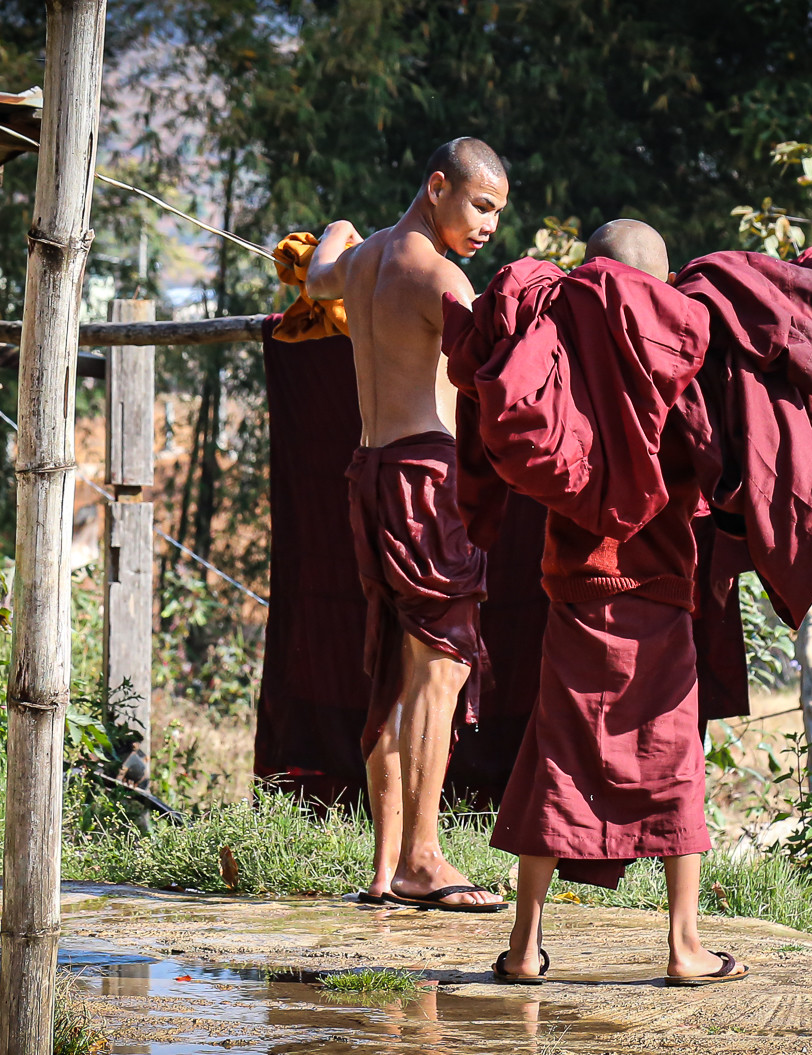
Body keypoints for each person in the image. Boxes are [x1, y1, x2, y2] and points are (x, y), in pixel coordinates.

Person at [444, 219, 749, 983]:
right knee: (674, 759)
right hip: (658, 587)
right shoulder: (682, 348)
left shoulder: (558, 345)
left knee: (558, 759)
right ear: (657, 280)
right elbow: (714, 456)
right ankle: (684, 947)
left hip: (578, 582)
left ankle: (523, 947)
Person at [304, 137, 509, 911]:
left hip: (371, 473)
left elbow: (318, 272)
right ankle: (424, 856)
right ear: (437, 187)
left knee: (396, 662)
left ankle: (386, 867)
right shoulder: (440, 277)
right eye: (481, 205)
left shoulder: (360, 264)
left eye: (498, 213)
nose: (490, 225)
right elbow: (499, 350)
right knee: (443, 663)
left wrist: (341, 226)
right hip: (425, 480)